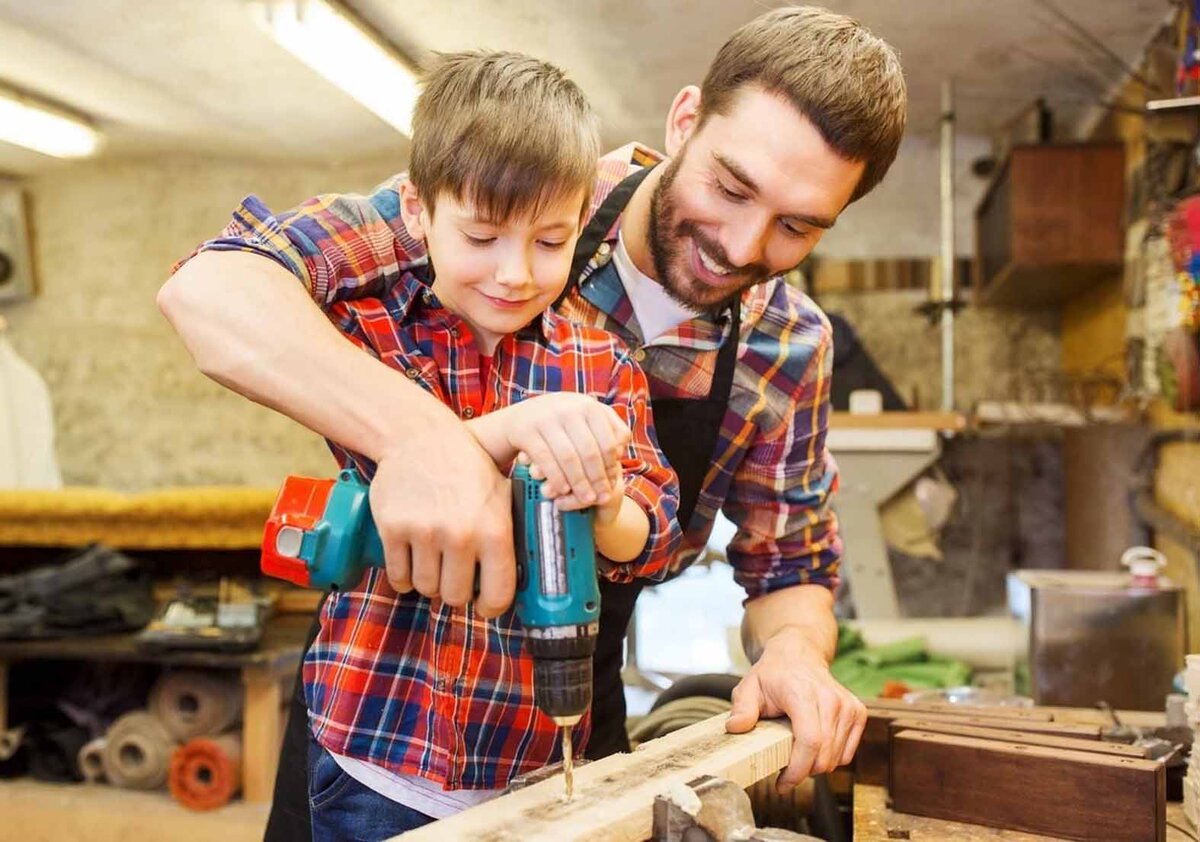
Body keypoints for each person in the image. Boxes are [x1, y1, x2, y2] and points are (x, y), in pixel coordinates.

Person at [158, 6, 907, 839]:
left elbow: (788, 565)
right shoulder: (523, 188)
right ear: (686, 120)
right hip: (380, 706)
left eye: (797, 225)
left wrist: (796, 654)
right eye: (730, 188)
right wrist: (431, 440)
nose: (740, 243)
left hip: (564, 710)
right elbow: (216, 291)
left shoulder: (789, 343)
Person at [167, 51, 681, 839]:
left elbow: (652, 539)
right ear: (416, 210)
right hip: (375, 743)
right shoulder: (366, 330)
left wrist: (604, 499)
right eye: (481, 236)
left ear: (582, 223)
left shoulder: (601, 365)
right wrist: (499, 437)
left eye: (549, 241)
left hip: (533, 760)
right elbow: (222, 289)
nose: (514, 273)